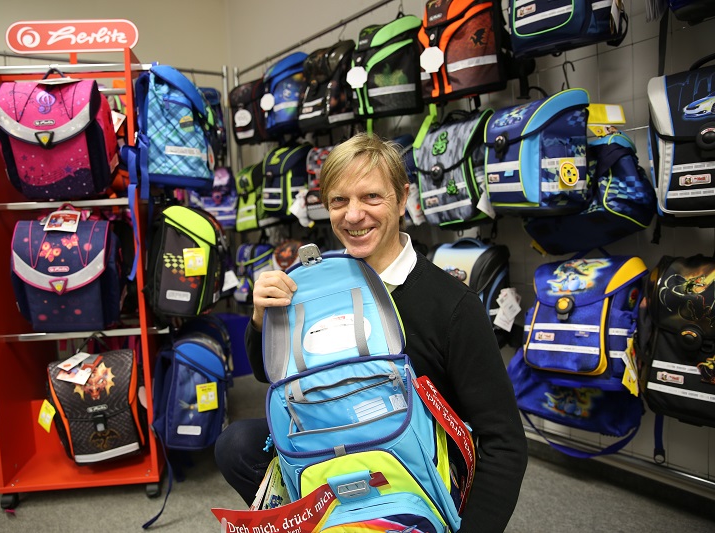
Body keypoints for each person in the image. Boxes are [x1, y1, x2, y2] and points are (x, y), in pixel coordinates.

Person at [215, 133, 527, 532]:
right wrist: (262, 320)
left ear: (402, 198)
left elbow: (505, 442)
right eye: (339, 201)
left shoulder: (452, 305)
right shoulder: (311, 286)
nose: (353, 215)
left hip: (417, 470)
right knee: (238, 445)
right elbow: (268, 374)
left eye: (371, 197)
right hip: (331, 447)